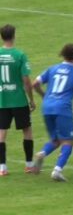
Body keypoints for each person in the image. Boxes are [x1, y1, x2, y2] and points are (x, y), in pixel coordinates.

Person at [30, 43, 73, 182]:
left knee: (56, 140)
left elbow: (35, 84)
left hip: (47, 107)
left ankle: (42, 153)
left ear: (62, 55)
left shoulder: (53, 69)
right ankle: (57, 170)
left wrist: (44, 96)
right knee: (68, 141)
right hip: (63, 109)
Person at [0, 24, 35, 176]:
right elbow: (26, 80)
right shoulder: (20, 55)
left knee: (1, 132)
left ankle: (2, 168)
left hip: (2, 100)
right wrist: (31, 99)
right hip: (19, 99)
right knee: (26, 130)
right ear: (14, 36)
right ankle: (28, 165)